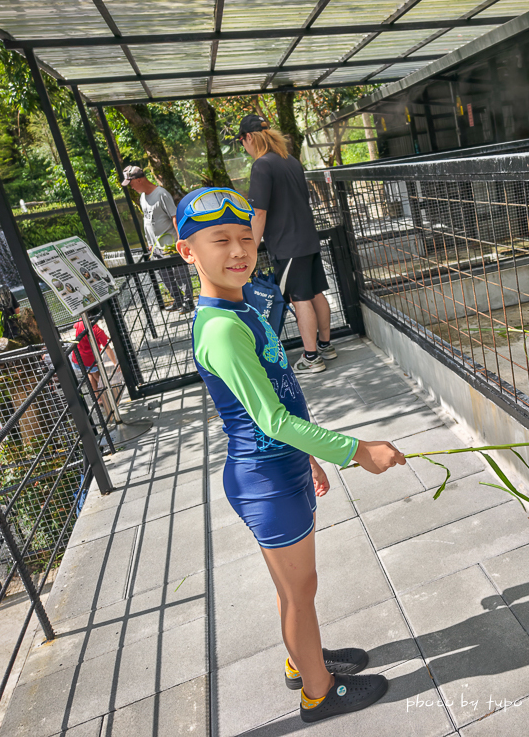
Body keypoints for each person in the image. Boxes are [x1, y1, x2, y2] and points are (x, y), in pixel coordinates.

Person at [176, 186, 405, 722]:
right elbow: (270, 420)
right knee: (300, 591)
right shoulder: (221, 328)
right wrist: (356, 450)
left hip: (279, 466)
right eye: (219, 240)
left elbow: (276, 396)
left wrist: (307, 454)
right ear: (188, 251)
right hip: (265, 478)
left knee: (296, 587)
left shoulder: (238, 307)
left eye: (245, 239)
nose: (238, 251)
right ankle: (319, 693)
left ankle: (303, 661)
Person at [239, 115, 336, 375]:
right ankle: (326, 345)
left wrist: (250, 246)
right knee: (316, 293)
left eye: (242, 142)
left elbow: (258, 213)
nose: (244, 148)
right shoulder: (289, 160)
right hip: (307, 238)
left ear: (248, 138)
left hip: (288, 243)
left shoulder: (261, 165)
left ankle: (312, 357)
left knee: (299, 298)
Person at [122, 165, 195, 314]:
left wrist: (180, 240)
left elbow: (174, 217)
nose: (131, 187)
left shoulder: (161, 194)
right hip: (155, 246)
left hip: (170, 244)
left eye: (131, 183)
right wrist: (149, 242)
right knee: (165, 276)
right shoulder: (142, 197)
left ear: (139, 180)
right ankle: (177, 300)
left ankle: (189, 301)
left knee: (180, 274)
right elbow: (147, 221)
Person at [70, 317, 121, 419]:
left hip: (77, 359)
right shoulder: (97, 331)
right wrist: (115, 363)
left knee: (90, 375)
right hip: (90, 360)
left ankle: (98, 399)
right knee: (99, 378)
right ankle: (108, 397)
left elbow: (74, 326)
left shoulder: (81, 321)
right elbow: (107, 347)